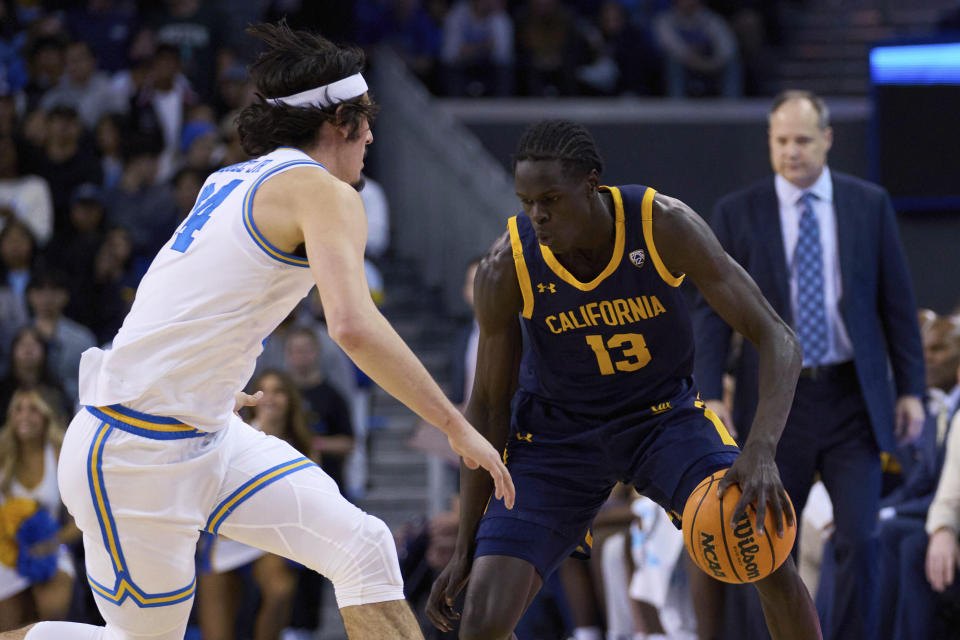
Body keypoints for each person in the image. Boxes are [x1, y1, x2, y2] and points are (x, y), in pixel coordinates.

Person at [0, 22, 512, 640]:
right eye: (364, 121)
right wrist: (456, 424)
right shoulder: (321, 191)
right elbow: (351, 325)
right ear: (336, 122)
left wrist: (208, 380)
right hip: (132, 452)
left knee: (364, 546)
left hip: (204, 432)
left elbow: (176, 298)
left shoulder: (229, 179)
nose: (372, 135)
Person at [425, 119, 820, 640]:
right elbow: (489, 408)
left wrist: (762, 448)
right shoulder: (507, 266)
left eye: (551, 200)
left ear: (591, 184)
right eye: (526, 202)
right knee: (480, 622)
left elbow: (778, 338)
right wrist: (466, 542)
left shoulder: (661, 225)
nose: (537, 216)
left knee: (763, 542)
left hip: (664, 420)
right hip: (555, 438)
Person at [693, 90, 925, 640]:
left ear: (827, 139)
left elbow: (897, 302)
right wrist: (711, 392)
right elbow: (710, 313)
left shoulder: (868, 204)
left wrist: (911, 388)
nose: (791, 151)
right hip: (775, 405)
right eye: (780, 141)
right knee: (766, 545)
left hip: (852, 398)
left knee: (861, 540)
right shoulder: (738, 211)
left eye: (802, 140)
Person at [196, 370, 313, 640]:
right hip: (224, 537)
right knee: (216, 633)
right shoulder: (238, 436)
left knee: (281, 590)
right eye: (264, 391)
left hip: (268, 539)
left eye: (278, 391)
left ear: (290, 399)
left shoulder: (303, 444)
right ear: (252, 399)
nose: (271, 398)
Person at [0, 389, 80, 630]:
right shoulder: (2, 454)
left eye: (33, 409)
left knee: (51, 614)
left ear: (46, 416)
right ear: (11, 416)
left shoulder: (60, 453)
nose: (25, 416)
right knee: (8, 627)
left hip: (51, 547)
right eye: (18, 409)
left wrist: (52, 542)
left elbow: (81, 521)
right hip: (6, 551)